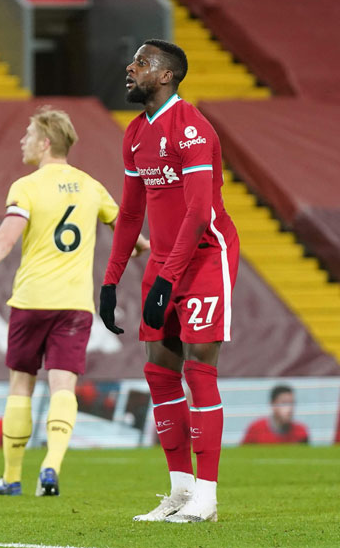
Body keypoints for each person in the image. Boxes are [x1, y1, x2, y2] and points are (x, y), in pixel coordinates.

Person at [0, 106, 148, 497]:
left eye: (27, 135)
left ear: (44, 142)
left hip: (32, 299)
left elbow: (6, 240)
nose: (22, 141)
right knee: (63, 387)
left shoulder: (27, 187)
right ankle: (52, 467)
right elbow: (124, 226)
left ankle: (11, 478)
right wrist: (143, 246)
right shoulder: (91, 186)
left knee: (21, 385)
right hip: (75, 304)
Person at [99, 40, 239, 523]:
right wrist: (111, 281)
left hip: (204, 257)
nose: (129, 68)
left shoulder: (193, 128)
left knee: (200, 365)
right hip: (163, 261)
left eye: (140, 63)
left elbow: (200, 213)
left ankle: (208, 495)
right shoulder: (135, 133)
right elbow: (131, 213)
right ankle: (179, 490)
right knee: (159, 371)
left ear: (166, 76)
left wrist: (168, 279)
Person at [242, 385, 310, 444]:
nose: (290, 408)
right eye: (284, 403)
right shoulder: (256, 429)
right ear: (273, 404)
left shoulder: (301, 432)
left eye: (292, 403)